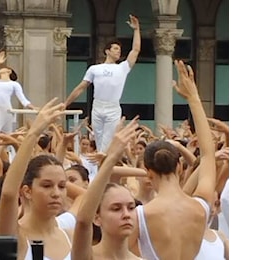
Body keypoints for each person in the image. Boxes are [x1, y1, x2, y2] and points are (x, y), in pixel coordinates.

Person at [128, 60, 217, 259]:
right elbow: (208, 155)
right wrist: (193, 98)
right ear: (179, 166)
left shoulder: (140, 216)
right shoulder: (201, 206)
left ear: (148, 173)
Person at [0, 98, 74, 260]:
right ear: (27, 191)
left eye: (62, 186)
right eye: (46, 186)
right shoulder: (16, 235)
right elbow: (8, 195)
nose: (56, 193)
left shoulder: (70, 236)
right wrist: (33, 134)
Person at [64, 14, 141, 153]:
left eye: (119, 49)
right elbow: (81, 87)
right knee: (98, 141)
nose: (119, 52)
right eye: (116, 49)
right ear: (107, 51)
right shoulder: (95, 69)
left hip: (112, 108)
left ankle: (104, 168)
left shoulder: (122, 68)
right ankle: (99, 169)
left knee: (107, 143)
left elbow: (135, 50)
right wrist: (66, 103)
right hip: (97, 106)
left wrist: (136, 30)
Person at [72, 116, 142, 260]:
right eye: (116, 208)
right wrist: (111, 158)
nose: (126, 215)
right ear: (97, 218)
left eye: (131, 207)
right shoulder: (87, 256)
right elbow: (83, 222)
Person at [0, 50, 38, 136]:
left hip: (6, 110)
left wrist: (34, 108)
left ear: (9, 71)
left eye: (3, 68)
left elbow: (23, 100)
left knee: (6, 135)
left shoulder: (14, 84)